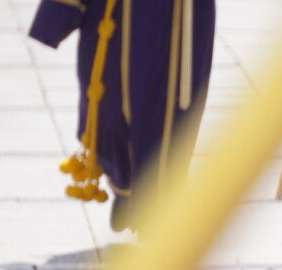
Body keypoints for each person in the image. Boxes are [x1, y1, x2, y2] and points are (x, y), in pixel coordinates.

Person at [28, 0, 217, 233]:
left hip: (175, 15)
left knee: (166, 111)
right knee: (110, 109)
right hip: (113, 13)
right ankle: (124, 184)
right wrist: (56, 17)